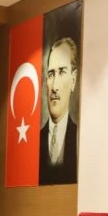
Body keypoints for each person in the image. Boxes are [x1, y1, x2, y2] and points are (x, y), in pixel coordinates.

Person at [39, 37, 78, 185]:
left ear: (73, 80)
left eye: (62, 72)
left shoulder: (79, 137)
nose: (54, 86)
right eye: (51, 74)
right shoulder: (36, 142)